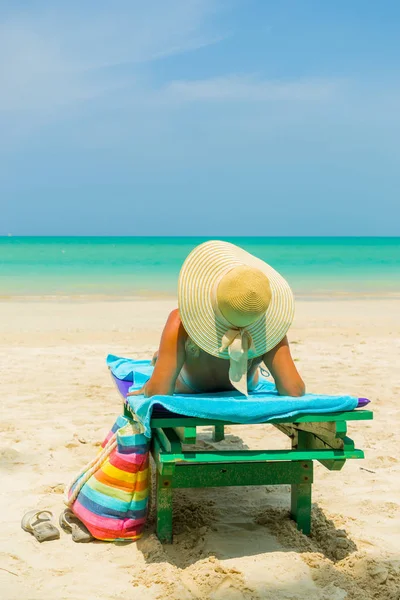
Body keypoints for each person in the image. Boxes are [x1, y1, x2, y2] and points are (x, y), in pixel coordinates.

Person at [128, 240, 305, 399]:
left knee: (165, 360)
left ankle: (160, 357)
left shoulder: (180, 321)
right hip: (246, 386)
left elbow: (159, 392)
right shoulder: (269, 326)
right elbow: (294, 390)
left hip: (191, 387)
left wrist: (148, 387)